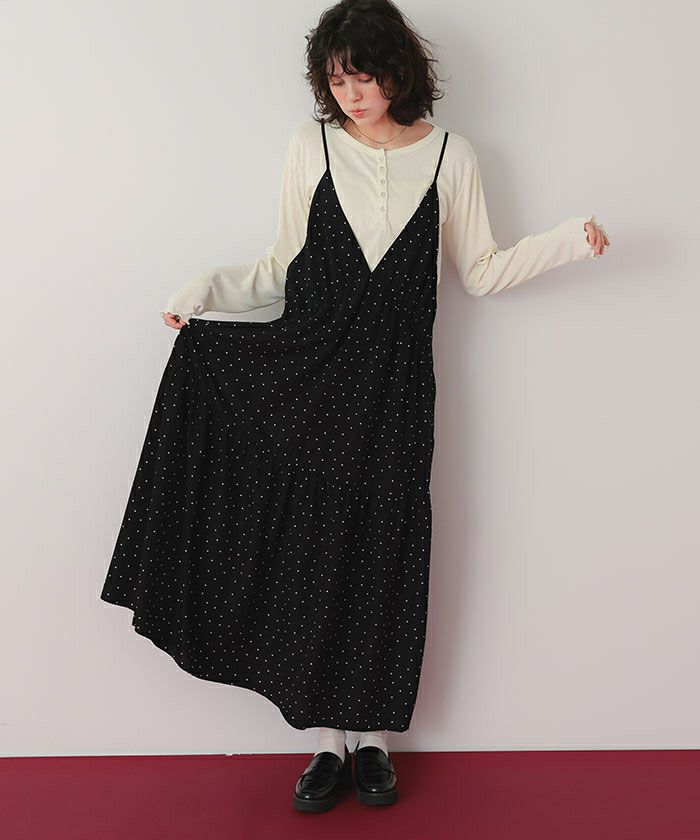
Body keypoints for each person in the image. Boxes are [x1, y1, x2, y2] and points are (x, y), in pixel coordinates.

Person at [111, 0, 610, 815]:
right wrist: (205, 289)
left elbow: (482, 271)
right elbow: (279, 267)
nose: (350, 93)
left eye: (364, 76)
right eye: (337, 79)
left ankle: (374, 740)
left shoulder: (451, 156)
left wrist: (566, 241)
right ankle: (326, 744)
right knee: (311, 552)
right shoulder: (309, 147)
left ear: (397, 72)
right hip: (309, 380)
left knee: (384, 552)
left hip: (395, 396)